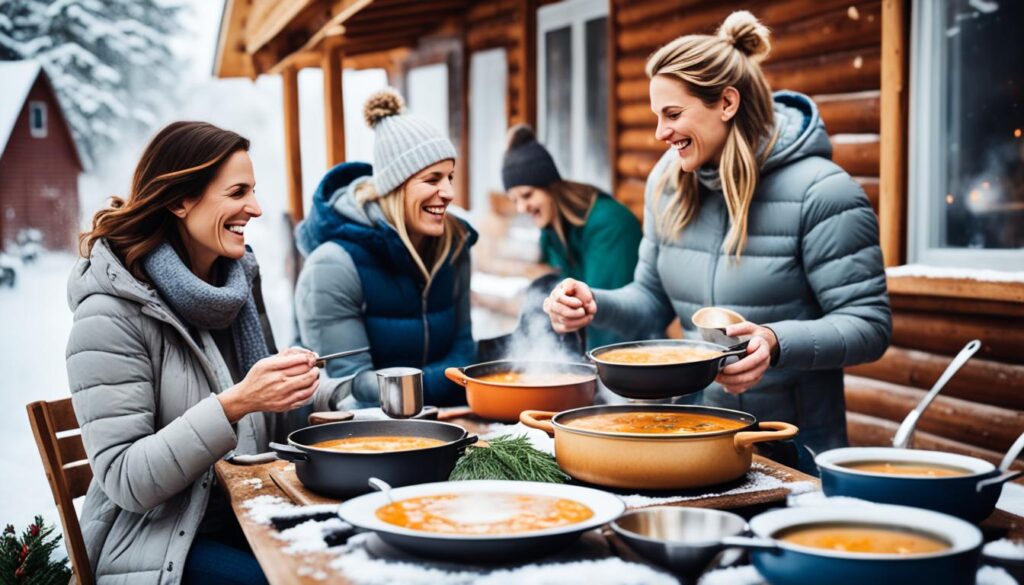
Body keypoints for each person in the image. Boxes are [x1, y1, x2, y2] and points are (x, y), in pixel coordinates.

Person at [543, 11, 892, 472]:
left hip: (790, 448)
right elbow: (650, 303)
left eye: (672, 114)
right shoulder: (666, 184)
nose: (660, 133)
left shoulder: (823, 193)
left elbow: (869, 325)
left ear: (726, 103)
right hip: (695, 434)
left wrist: (774, 340)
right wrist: (593, 303)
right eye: (656, 116)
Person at [66, 122, 348, 584]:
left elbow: (269, 416)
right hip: (158, 546)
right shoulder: (111, 313)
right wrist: (236, 402)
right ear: (180, 200)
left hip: (248, 513)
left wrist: (329, 396)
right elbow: (127, 479)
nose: (254, 208)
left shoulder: (234, 285)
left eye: (254, 191)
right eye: (237, 192)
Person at [295, 88, 477, 407]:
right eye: (432, 179)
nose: (448, 192)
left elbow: (463, 349)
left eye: (449, 176)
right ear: (395, 186)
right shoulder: (333, 266)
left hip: (446, 423)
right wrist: (446, 382)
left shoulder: (454, 245)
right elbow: (351, 389)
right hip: (359, 439)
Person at [501, 124, 642, 350]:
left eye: (527, 195)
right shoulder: (552, 231)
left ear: (550, 186)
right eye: (514, 200)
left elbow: (604, 313)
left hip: (631, 354)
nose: (521, 207)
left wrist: (589, 374)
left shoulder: (609, 225)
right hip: (592, 350)